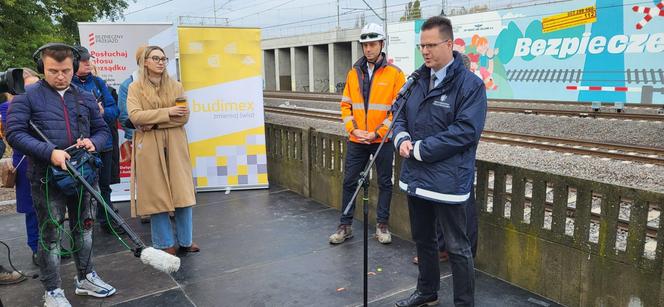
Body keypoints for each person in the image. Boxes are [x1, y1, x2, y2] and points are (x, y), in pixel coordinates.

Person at [6, 43, 115, 307]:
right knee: (51, 236)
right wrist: (49, 151)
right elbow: (14, 134)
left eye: (65, 70)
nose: (60, 76)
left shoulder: (85, 95)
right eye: (53, 70)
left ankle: (86, 277)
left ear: (74, 66)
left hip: (84, 174)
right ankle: (52, 290)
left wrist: (94, 143)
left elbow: (103, 129)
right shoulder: (26, 96)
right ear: (42, 65)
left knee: (85, 230)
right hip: (46, 178)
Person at [392, 16, 487, 307]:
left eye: (431, 45)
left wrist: (419, 149)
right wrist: (400, 137)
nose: (425, 51)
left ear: (449, 44)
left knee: (458, 247)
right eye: (422, 46)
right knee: (423, 240)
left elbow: (465, 132)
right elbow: (398, 112)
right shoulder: (417, 80)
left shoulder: (470, 86)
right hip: (417, 178)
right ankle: (427, 292)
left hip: (448, 182)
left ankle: (463, 303)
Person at [329, 23, 405, 245]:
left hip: (382, 140)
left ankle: (382, 225)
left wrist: (377, 133)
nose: (368, 49)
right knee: (349, 181)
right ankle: (345, 225)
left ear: (382, 45)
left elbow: (398, 110)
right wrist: (354, 129)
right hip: (357, 139)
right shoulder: (354, 73)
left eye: (372, 44)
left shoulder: (395, 75)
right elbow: (346, 105)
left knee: (384, 182)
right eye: (365, 45)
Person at [126, 45, 198, 255]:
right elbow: (135, 116)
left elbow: (184, 117)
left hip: (175, 143)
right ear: (145, 62)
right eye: (155, 58)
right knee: (156, 194)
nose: (160, 62)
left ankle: (186, 240)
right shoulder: (135, 88)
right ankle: (164, 243)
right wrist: (168, 113)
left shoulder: (176, 86)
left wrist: (154, 122)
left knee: (183, 192)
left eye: (163, 58)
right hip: (148, 146)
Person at [412, 53, 478, 266]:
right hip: (441, 165)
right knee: (450, 219)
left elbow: (463, 132)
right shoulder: (427, 83)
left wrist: (425, 148)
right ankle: (445, 250)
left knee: (461, 221)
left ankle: (456, 253)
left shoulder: (470, 88)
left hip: (455, 167)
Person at [70, 46, 123, 235]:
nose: (88, 63)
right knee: (81, 189)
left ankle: (107, 221)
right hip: (80, 147)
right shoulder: (67, 85)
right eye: (83, 60)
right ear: (73, 63)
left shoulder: (99, 83)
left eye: (89, 59)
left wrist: (101, 112)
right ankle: (81, 225)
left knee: (104, 187)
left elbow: (114, 111)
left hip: (105, 144)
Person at [0, 68, 41, 266]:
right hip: (25, 162)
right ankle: (36, 247)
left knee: (50, 205)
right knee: (32, 207)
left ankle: (51, 243)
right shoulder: (8, 107)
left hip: (45, 159)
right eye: (29, 87)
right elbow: (15, 135)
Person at [118, 45, 150, 224]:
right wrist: (139, 131)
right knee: (144, 176)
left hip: (163, 136)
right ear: (140, 62)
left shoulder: (165, 82)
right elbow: (125, 115)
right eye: (148, 59)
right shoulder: (128, 84)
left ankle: (167, 207)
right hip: (140, 136)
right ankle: (146, 209)